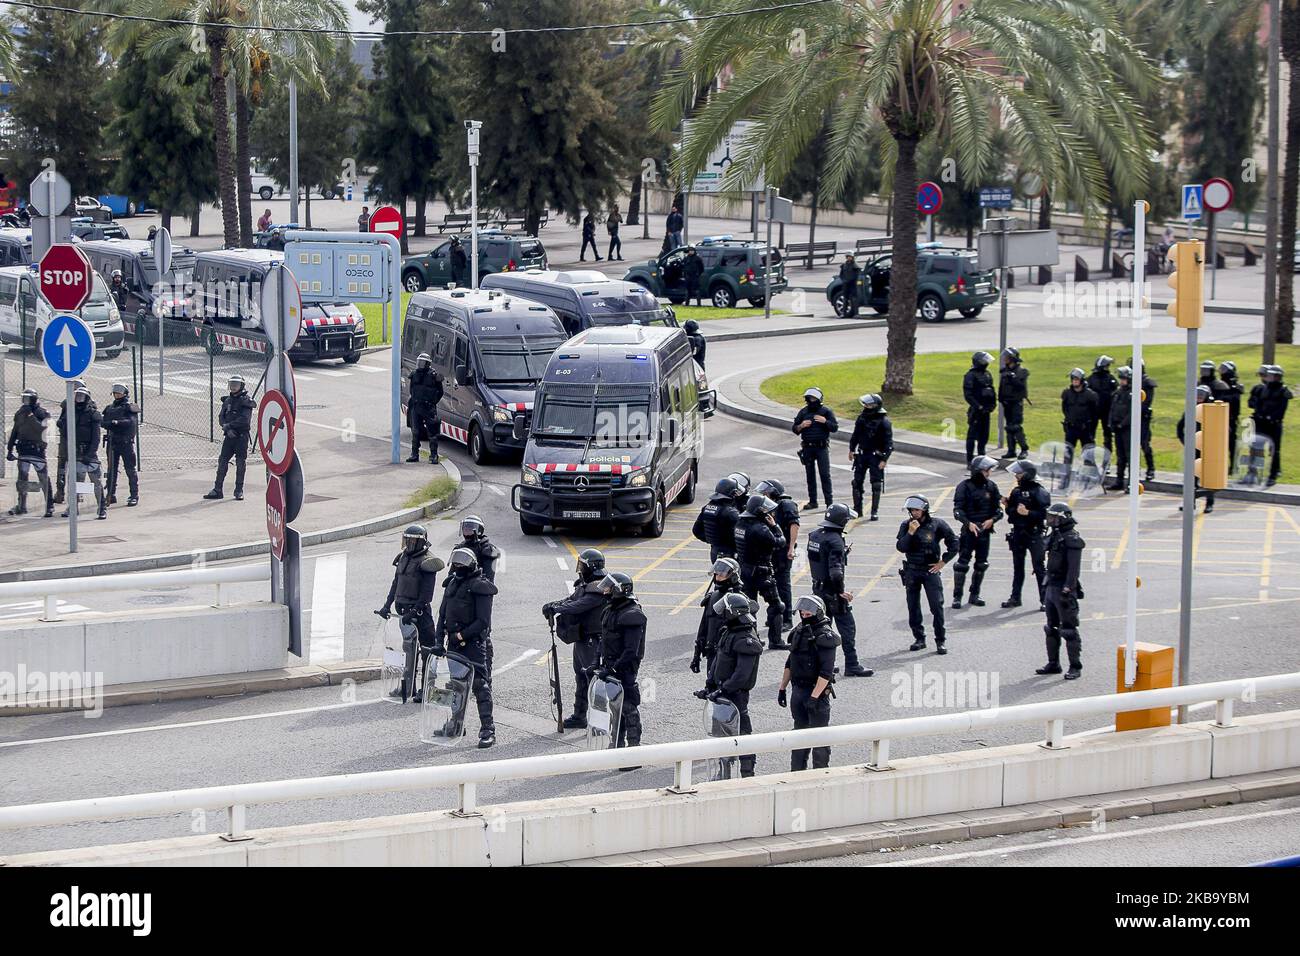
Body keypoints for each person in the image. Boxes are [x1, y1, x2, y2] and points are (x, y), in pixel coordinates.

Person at [433, 547, 498, 748]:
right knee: (456, 685)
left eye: (462, 562)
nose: (458, 566)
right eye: (456, 562)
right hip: (453, 644)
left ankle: (488, 729)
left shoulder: (480, 586)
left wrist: (461, 635)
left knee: (480, 685)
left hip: (473, 645)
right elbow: (442, 614)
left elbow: (483, 622)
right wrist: (438, 641)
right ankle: (456, 724)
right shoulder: (452, 583)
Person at [697, 591, 763, 777]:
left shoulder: (746, 639)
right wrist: (710, 687)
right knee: (720, 735)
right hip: (722, 693)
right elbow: (718, 662)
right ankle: (723, 772)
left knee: (743, 736)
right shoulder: (729, 632)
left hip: (736, 696)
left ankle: (747, 774)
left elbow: (742, 675)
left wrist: (723, 689)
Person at [376, 524, 445, 701]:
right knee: (408, 652)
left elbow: (426, 595)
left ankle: (427, 690)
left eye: (413, 540)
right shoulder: (403, 557)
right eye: (407, 539)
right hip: (403, 613)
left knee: (427, 651)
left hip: (420, 615)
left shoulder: (428, 562)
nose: (409, 543)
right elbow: (395, 584)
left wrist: (414, 610)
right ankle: (408, 688)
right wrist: (387, 605)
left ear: (421, 541)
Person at [543, 547, 606, 729]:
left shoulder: (599, 588)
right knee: (580, 678)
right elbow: (571, 599)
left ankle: (600, 722)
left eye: (583, 566)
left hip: (594, 642)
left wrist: (558, 609)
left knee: (594, 682)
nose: (580, 569)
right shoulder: (585, 585)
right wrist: (554, 604)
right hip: (582, 640)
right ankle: (580, 716)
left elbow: (579, 605)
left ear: (592, 567)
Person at [807, 502, 872, 676]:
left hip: (818, 590)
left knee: (822, 628)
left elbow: (819, 559)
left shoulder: (814, 535)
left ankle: (824, 665)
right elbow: (835, 572)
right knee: (847, 629)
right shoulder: (835, 540)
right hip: (832, 592)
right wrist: (841, 592)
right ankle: (852, 665)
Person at [778, 595, 838, 772]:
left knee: (819, 739)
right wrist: (782, 688)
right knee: (799, 736)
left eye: (809, 610)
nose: (804, 613)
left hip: (816, 695)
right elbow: (790, 662)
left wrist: (814, 697)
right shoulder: (799, 631)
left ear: (818, 612)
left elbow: (826, 672)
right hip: (798, 691)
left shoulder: (826, 636)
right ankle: (796, 775)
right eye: (802, 610)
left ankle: (820, 775)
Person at [896, 494, 958, 653]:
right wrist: (910, 532)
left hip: (930, 571)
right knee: (913, 606)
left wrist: (943, 562)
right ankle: (919, 638)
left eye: (917, 510)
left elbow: (954, 542)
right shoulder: (906, 525)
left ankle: (940, 640)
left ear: (924, 509)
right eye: (912, 510)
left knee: (936, 605)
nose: (914, 513)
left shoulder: (936, 524)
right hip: (912, 570)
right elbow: (901, 547)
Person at [596, 572, 646, 759]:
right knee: (615, 707)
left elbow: (631, 650)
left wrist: (614, 668)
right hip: (611, 666)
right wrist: (597, 662)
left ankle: (633, 751)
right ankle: (616, 743)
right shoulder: (610, 610)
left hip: (625, 669)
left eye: (609, 587)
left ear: (619, 590)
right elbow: (604, 639)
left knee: (628, 708)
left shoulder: (633, 614)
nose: (605, 590)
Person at [1037, 503, 1085, 680]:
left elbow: (1074, 569)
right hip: (1051, 585)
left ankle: (1075, 666)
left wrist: (1068, 588)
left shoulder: (1072, 539)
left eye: (1054, 517)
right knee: (1051, 628)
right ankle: (1053, 663)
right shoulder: (1055, 535)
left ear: (1063, 518)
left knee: (1069, 630)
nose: (1050, 520)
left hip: (1063, 589)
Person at [734, 493, 788, 650]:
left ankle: (752, 638)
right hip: (761, 572)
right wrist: (775, 526)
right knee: (777, 605)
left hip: (744, 570)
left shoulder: (740, 524)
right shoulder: (761, 528)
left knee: (750, 606)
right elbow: (779, 542)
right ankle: (776, 640)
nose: (770, 515)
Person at [951, 455, 1002, 610]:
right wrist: (968, 523)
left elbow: (998, 510)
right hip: (968, 532)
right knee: (961, 565)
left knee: (981, 564)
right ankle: (957, 597)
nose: (989, 473)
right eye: (986, 470)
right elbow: (957, 510)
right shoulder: (964, 486)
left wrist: (992, 520)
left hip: (984, 532)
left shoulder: (991, 487)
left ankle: (974, 595)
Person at [1001, 459, 1050, 609]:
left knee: (1039, 568)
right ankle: (1015, 598)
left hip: (1034, 534)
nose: (1016, 476)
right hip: (1018, 533)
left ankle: (1045, 600)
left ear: (1028, 474)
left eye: (1019, 473)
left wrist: (1028, 512)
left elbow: (1045, 514)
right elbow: (1011, 513)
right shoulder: (1016, 491)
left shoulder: (1039, 491)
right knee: (1018, 568)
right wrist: (1009, 506)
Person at [756, 478, 800, 629]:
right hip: (773, 550)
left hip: (783, 551)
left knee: (783, 585)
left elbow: (794, 525)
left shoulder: (787, 504)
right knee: (772, 585)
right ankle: (774, 617)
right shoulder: (770, 506)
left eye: (766, 493)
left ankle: (787, 619)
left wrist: (791, 548)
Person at [204, 375, 255, 501]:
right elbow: (221, 417)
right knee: (222, 461)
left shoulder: (246, 401)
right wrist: (227, 428)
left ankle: (239, 490)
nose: (233, 387)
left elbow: (245, 421)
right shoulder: (227, 400)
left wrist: (230, 426)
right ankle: (217, 489)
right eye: (232, 384)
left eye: (236, 385)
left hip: (241, 437)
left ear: (241, 386)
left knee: (240, 463)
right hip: (229, 436)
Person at [5, 388, 54, 517]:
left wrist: (31, 416)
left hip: (37, 451)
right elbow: (15, 431)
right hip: (23, 451)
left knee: (43, 479)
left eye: (28, 399)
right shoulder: (20, 413)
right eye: (24, 399)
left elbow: (42, 428)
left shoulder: (42, 413)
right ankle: (21, 505)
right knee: (22, 480)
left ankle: (49, 506)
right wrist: (9, 449)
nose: (26, 402)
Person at [693, 557, 743, 684]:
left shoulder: (739, 601)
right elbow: (704, 626)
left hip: (729, 655)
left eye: (722, 575)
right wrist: (696, 654)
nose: (718, 578)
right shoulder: (713, 597)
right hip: (712, 653)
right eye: (716, 574)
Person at [793, 386, 838, 510]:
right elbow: (795, 428)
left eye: (814, 398)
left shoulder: (826, 412)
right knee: (810, 475)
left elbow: (834, 427)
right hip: (808, 448)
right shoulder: (803, 412)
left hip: (821, 448)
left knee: (825, 475)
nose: (811, 400)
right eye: (809, 398)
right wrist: (801, 426)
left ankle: (829, 502)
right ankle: (813, 501)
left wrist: (825, 422)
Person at [848, 393, 892, 521]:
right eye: (866, 404)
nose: (866, 407)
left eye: (869, 405)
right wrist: (851, 449)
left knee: (876, 484)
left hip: (876, 457)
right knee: (856, 483)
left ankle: (874, 511)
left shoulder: (884, 422)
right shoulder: (861, 419)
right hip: (862, 455)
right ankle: (857, 510)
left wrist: (884, 459)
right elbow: (855, 435)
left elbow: (889, 444)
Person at [66, 386, 107, 520]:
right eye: (77, 397)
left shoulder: (93, 414)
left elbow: (96, 437)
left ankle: (101, 508)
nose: (79, 399)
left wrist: (90, 454)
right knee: (76, 482)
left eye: (81, 397)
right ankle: (73, 507)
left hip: (89, 453)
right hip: (76, 452)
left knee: (96, 481)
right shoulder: (71, 412)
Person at [1249, 364, 1291, 486]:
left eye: (1273, 375)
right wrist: (1259, 414)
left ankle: (1273, 474)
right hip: (1261, 422)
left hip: (1274, 424)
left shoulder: (1283, 391)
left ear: (1278, 377)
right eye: (1269, 375)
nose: (1270, 377)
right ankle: (1253, 472)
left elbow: (1281, 409)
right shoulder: (1263, 389)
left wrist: (1270, 417)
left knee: (1274, 450)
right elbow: (1257, 403)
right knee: (1256, 449)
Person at [1177, 384, 1217, 514]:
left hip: (1207, 448)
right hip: (1193, 448)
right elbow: (1180, 427)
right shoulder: (1190, 409)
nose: (1199, 398)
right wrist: (1186, 442)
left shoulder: (1212, 411)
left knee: (1208, 476)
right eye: (1197, 395)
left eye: (1202, 395)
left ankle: (1209, 503)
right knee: (1191, 476)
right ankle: (1190, 502)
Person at [101, 383, 139, 507]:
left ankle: (134, 495)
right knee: (111, 469)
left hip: (125, 442)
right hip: (112, 442)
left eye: (120, 392)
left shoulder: (129, 407)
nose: (117, 394)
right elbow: (103, 421)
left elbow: (130, 422)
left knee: (130, 469)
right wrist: (106, 423)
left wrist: (115, 422)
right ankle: (110, 494)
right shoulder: (109, 408)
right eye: (115, 392)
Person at [52, 378, 88, 505]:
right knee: (62, 467)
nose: (75, 390)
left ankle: (79, 494)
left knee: (80, 470)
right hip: (65, 439)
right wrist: (61, 423)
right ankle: (60, 492)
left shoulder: (89, 404)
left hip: (80, 442)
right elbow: (61, 420)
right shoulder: (67, 403)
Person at [406, 352, 443, 464]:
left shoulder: (434, 376)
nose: (420, 364)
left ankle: (433, 455)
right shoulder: (414, 374)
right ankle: (414, 454)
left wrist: (433, 402)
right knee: (415, 431)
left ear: (427, 364)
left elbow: (440, 392)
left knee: (432, 433)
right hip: (416, 406)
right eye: (419, 362)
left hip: (428, 407)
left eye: (423, 362)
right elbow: (411, 390)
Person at [692, 477, 741, 561]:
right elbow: (743, 533)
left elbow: (696, 530)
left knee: (718, 574)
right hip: (730, 554)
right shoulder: (730, 513)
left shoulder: (707, 508)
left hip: (715, 551)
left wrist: (712, 540)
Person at [1061, 368, 1100, 467]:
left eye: (1077, 379)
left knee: (1089, 456)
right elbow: (1064, 408)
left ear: (1082, 380)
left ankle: (1089, 476)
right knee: (1067, 455)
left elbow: (1095, 413)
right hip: (1071, 428)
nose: (1075, 381)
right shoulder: (1067, 394)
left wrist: (1091, 429)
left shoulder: (1090, 395)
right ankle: (1065, 476)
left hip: (1085, 429)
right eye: (1073, 379)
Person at [963, 351, 997, 462]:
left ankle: (982, 458)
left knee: (984, 436)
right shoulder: (970, 375)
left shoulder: (987, 374)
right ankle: (970, 460)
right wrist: (978, 406)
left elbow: (991, 389)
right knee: (972, 436)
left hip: (986, 411)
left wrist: (992, 405)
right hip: (976, 411)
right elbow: (968, 395)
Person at [1087, 355, 1119, 468]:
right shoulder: (1091, 379)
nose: (1108, 368)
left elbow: (1116, 394)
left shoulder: (1111, 379)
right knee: (1090, 437)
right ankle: (1090, 462)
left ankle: (1107, 462)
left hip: (1107, 412)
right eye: (1107, 366)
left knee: (1108, 437)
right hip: (1093, 412)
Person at [998, 347, 1030, 459]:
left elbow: (1022, 388)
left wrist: (1013, 378)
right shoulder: (1004, 371)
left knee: (1016, 427)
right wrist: (1000, 399)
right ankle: (1011, 450)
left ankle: (1024, 448)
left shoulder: (1021, 372)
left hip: (1016, 403)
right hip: (1007, 403)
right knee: (1009, 427)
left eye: (1007, 357)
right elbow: (1001, 387)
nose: (1005, 359)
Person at [1108, 366, 1135, 491]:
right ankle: (1119, 480)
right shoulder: (1118, 393)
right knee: (1120, 457)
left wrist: (1122, 424)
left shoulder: (1132, 394)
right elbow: (1112, 409)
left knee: (1130, 456)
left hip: (1127, 429)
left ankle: (1131, 483)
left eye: (1124, 378)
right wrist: (1111, 423)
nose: (1122, 381)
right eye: (1121, 378)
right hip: (1118, 428)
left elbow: (1132, 412)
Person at [1133, 359, 1157, 481]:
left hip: (1143, 418)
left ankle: (1150, 469)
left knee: (1145, 444)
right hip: (1130, 419)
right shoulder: (1129, 381)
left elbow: (1146, 401)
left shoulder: (1147, 383)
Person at [457, 515, 500, 583]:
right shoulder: (460, 547)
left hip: (478, 585)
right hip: (461, 583)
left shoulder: (487, 549)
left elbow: (488, 579)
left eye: (470, 530)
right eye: (466, 530)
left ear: (479, 531)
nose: (467, 533)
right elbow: (451, 573)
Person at [1219, 361, 1244, 471]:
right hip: (1218, 417)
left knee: (1231, 444)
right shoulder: (1219, 384)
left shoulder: (1235, 387)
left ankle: (1234, 466)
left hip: (1230, 418)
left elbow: (1235, 403)